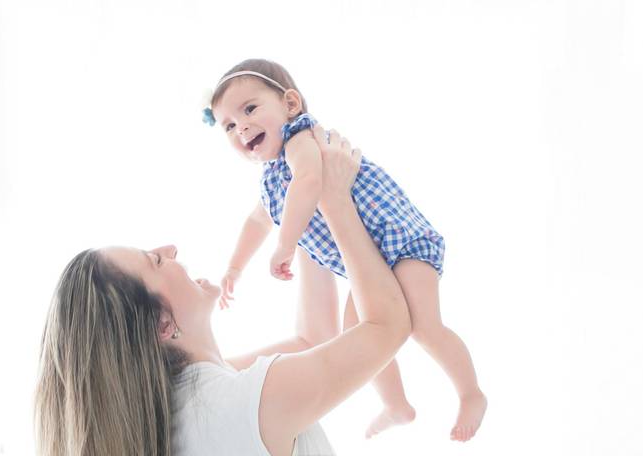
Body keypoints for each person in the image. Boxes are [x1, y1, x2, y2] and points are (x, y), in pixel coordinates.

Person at [34, 127, 412, 455]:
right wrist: (335, 200)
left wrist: (300, 209)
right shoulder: (244, 401)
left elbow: (312, 338)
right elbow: (387, 326)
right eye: (155, 261)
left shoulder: (186, 407)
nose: (170, 249)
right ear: (163, 324)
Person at [204, 58, 487, 441]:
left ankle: (471, 393)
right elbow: (257, 221)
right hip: (368, 262)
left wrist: (285, 245)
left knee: (423, 324)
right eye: (230, 126)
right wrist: (235, 267)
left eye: (250, 109)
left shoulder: (301, 140)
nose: (242, 129)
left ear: (290, 104)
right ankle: (396, 405)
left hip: (402, 243)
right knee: (357, 336)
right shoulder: (271, 179)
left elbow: (308, 183)